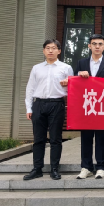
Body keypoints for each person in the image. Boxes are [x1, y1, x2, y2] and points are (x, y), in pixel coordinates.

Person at [23, 40, 74, 181]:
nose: (50, 50)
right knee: (38, 139)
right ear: (43, 51)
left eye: (54, 48)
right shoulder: (36, 68)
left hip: (57, 104)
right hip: (38, 104)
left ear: (59, 51)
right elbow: (30, 88)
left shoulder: (66, 68)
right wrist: (29, 107)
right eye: (48, 48)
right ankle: (37, 169)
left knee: (55, 139)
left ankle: (54, 169)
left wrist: (68, 84)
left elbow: (72, 90)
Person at [72, 34, 104, 180]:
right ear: (89, 46)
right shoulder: (82, 63)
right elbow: (74, 81)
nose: (97, 46)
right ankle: (86, 167)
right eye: (94, 44)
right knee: (86, 137)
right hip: (87, 105)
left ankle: (101, 167)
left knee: (101, 137)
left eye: (100, 44)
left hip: (103, 105)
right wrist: (79, 74)